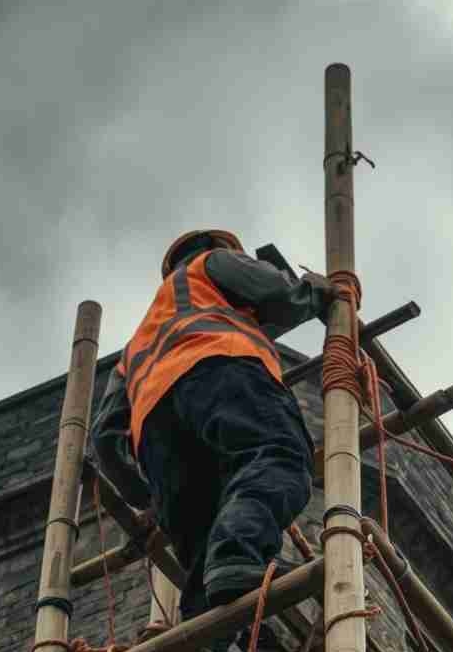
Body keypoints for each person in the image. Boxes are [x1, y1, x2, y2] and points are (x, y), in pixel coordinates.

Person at [90, 229, 330, 625]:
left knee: (200, 541)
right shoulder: (212, 263)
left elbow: (104, 438)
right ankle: (237, 553)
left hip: (154, 432)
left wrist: (147, 497)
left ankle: (206, 648)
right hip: (221, 370)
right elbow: (279, 297)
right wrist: (314, 291)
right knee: (278, 457)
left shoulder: (136, 347)